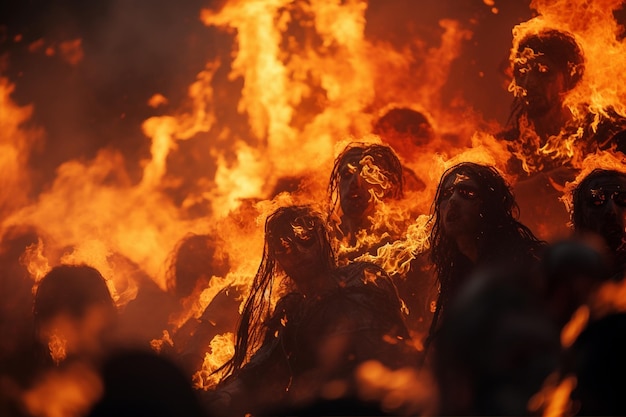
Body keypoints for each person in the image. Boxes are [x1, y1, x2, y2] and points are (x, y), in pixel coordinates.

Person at [205, 205, 414, 416]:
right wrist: (225, 396)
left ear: (324, 239)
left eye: (306, 238)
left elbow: (403, 338)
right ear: (278, 260)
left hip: (389, 398)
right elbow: (261, 368)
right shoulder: (293, 311)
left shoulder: (365, 276)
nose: (298, 252)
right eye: (284, 245)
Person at [426, 162, 546, 348]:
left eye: (467, 193)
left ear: (489, 206)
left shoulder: (524, 264)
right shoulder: (457, 274)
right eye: (446, 194)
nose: (453, 200)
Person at [570, 168, 626, 279]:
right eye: (597, 201)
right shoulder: (569, 275)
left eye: (623, 199)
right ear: (581, 214)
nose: (611, 211)